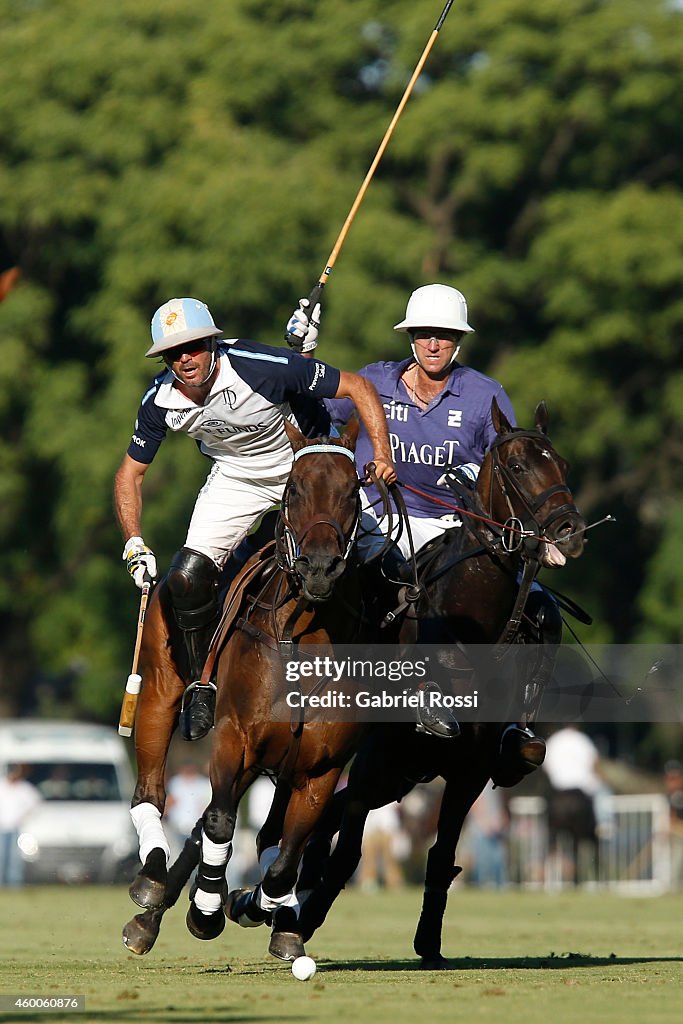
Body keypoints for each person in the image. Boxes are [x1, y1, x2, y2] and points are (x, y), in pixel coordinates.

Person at [290, 284, 560, 765]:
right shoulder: (373, 381)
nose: (434, 345)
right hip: (375, 514)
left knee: (538, 606)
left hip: (452, 523)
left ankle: (516, 724)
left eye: (445, 336)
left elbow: (510, 468)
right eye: (424, 335)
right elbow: (313, 419)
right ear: (410, 337)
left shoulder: (485, 395)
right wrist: (304, 355)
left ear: (459, 341)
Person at [114, 297, 396, 742]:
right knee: (186, 578)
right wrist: (133, 542)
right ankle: (201, 684)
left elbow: (359, 387)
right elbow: (130, 474)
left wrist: (381, 455)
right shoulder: (159, 400)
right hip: (237, 477)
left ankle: (408, 682)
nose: (184, 359)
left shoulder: (261, 365)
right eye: (172, 353)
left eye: (193, 347)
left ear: (212, 342)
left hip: (301, 468)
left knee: (383, 560)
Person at [0, 765, 42, 887]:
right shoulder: (2, 786)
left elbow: (36, 803)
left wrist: (23, 818)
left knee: (15, 858)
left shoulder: (24, 788)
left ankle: (14, 883)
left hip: (15, 828)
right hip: (1, 828)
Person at [164, 762, 213, 850]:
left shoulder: (203, 783)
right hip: (177, 827)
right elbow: (170, 801)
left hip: (197, 828)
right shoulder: (175, 782)